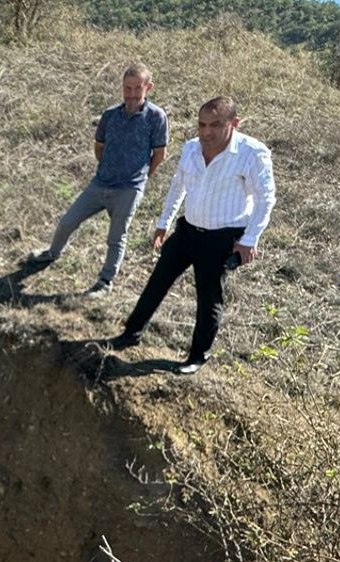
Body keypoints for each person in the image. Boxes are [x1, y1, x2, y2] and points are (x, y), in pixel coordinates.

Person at [105, 96, 276, 375]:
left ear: (234, 123)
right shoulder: (191, 149)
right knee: (157, 281)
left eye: (215, 125)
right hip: (187, 231)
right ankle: (131, 333)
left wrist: (249, 240)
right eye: (202, 124)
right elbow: (178, 186)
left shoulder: (251, 154)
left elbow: (265, 199)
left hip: (221, 238)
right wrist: (164, 223)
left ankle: (198, 356)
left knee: (208, 299)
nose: (206, 132)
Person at [34, 63, 168, 297]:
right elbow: (99, 147)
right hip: (101, 183)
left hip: (129, 188)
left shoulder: (156, 117)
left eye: (138, 88)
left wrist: (143, 177)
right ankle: (51, 253)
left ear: (149, 87)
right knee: (68, 221)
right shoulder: (110, 115)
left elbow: (159, 154)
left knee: (116, 237)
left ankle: (105, 282)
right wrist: (107, 168)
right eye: (127, 88)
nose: (132, 93)